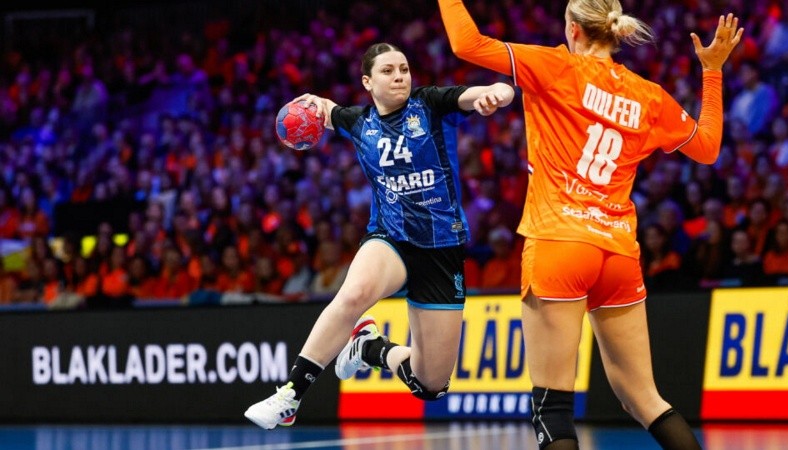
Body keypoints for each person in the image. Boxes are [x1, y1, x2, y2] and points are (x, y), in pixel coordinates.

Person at [437, 1, 742, 449]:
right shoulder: (648, 94)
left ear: (574, 29)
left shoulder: (556, 65)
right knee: (645, 398)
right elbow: (709, 146)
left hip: (559, 241)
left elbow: (466, 43)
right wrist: (712, 71)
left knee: (552, 410)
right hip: (617, 252)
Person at [244, 42, 515, 430]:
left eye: (404, 69)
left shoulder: (431, 104)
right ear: (368, 82)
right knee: (353, 294)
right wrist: (312, 101)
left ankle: (370, 347)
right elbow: (324, 109)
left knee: (431, 385)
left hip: (442, 249)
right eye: (388, 71)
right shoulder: (359, 122)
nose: (400, 76)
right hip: (391, 237)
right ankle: (290, 394)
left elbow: (482, 93)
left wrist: (496, 94)